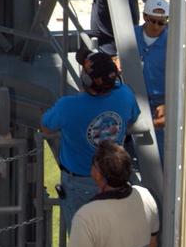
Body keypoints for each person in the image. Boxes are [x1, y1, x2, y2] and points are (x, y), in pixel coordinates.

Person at [41, 51, 140, 231]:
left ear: (86, 81)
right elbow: (132, 118)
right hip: (115, 179)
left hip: (78, 183)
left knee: (83, 239)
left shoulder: (68, 106)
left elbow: (46, 127)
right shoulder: (125, 95)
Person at [135, 0, 169, 162]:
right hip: (133, 100)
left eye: (161, 22)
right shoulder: (130, 35)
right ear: (144, 17)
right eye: (152, 21)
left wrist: (168, 103)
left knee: (159, 154)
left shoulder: (173, 42)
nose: (156, 26)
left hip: (159, 104)